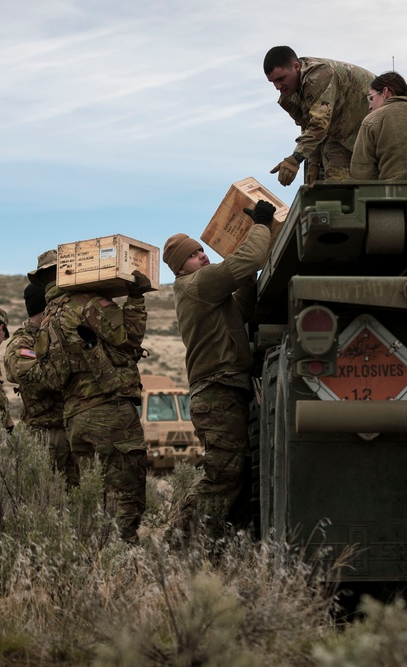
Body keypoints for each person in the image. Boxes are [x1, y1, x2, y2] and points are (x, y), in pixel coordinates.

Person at [163, 200, 275, 531]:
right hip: (217, 390)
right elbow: (251, 259)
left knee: (237, 474)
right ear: (180, 268)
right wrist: (261, 224)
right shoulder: (195, 284)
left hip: (224, 389)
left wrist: (244, 273)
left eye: (202, 250)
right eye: (194, 254)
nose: (203, 255)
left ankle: (223, 549)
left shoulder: (209, 294)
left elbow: (241, 305)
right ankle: (176, 541)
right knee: (225, 473)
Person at [29, 249, 153, 543]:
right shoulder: (86, 303)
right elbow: (129, 336)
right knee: (125, 490)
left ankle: (93, 556)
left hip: (75, 419)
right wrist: (135, 298)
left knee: (91, 495)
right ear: (69, 269)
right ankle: (123, 558)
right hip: (107, 412)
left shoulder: (47, 320)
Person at [3, 281, 79, 487]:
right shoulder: (23, 342)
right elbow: (35, 377)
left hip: (72, 431)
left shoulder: (59, 335)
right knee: (42, 497)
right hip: (43, 436)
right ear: (45, 307)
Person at [264, 45, 375, 186]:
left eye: (281, 79)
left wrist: (295, 159)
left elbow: (319, 124)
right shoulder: (289, 97)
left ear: (296, 67)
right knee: (333, 184)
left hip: (375, 127)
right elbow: (308, 127)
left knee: (381, 181)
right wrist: (313, 162)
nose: (277, 86)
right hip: (340, 135)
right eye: (273, 82)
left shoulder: (319, 75)